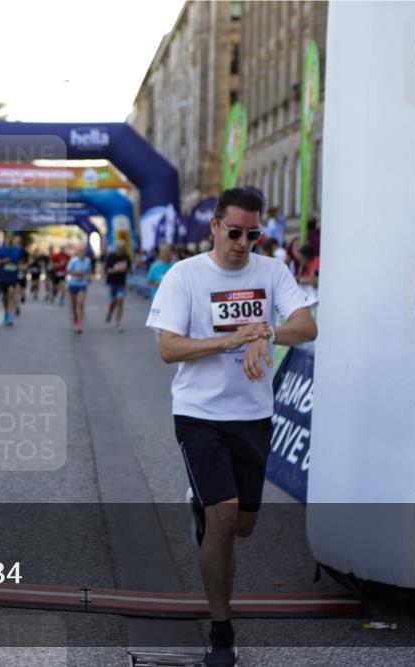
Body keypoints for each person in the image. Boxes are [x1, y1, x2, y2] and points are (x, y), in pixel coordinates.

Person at [145, 188, 318, 667]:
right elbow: (169, 348)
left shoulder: (271, 272)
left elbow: (306, 327)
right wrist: (226, 343)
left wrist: (266, 331)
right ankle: (222, 634)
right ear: (215, 227)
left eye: (253, 233)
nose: (243, 242)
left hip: (254, 417)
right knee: (223, 519)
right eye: (235, 231)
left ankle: (201, 507)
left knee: (243, 525)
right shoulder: (185, 276)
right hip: (199, 414)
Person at [0, 236, 24, 326]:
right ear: (6, 241)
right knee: (5, 297)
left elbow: (21, 262)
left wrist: (21, 267)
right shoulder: (1, 250)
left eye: (12, 240)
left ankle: (10, 316)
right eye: (9, 240)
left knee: (11, 294)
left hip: (13, 277)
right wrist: (3, 261)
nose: (11, 242)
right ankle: (6, 312)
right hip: (2, 277)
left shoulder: (18, 250)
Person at [104, 241, 130, 332]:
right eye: (120, 248)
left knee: (120, 301)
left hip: (121, 284)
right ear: (117, 248)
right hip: (112, 283)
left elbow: (129, 269)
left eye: (123, 248)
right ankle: (110, 312)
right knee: (113, 302)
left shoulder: (126, 257)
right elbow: (107, 270)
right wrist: (117, 270)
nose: (121, 250)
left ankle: (117, 323)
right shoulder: (111, 256)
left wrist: (125, 269)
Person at [66, 244, 91, 334]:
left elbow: (89, 272)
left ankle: (79, 325)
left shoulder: (88, 261)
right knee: (74, 306)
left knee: (80, 304)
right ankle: (75, 318)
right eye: (81, 252)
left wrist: (86, 276)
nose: (83, 254)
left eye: (84, 252)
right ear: (78, 253)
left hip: (83, 285)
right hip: (73, 284)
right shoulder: (73, 260)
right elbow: (68, 271)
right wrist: (75, 273)